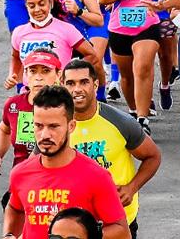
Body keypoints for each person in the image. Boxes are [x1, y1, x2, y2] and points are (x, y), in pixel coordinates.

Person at [3, 85, 131, 239]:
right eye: (38, 126)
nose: (45, 135)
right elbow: (15, 208)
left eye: (54, 126)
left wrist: (79, 234)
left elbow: (122, 232)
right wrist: (8, 234)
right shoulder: (20, 173)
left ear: (71, 126)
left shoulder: (96, 176)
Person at [63, 59, 162, 238]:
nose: (77, 89)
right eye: (70, 83)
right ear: (62, 86)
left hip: (117, 223)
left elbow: (153, 156)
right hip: (71, 225)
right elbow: (37, 167)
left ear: (96, 84)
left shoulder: (120, 122)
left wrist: (131, 188)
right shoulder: (55, 125)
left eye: (84, 82)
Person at [98, 0, 166, 132]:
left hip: (148, 26)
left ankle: (143, 119)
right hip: (120, 28)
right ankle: (134, 110)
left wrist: (161, 3)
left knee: (144, 67)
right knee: (127, 76)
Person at [0, 49, 62, 188]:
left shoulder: (65, 107)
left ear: (58, 74)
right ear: (25, 74)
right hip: (21, 182)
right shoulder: (14, 104)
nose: (38, 77)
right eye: (32, 71)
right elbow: (5, 129)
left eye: (45, 71)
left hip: (55, 183)